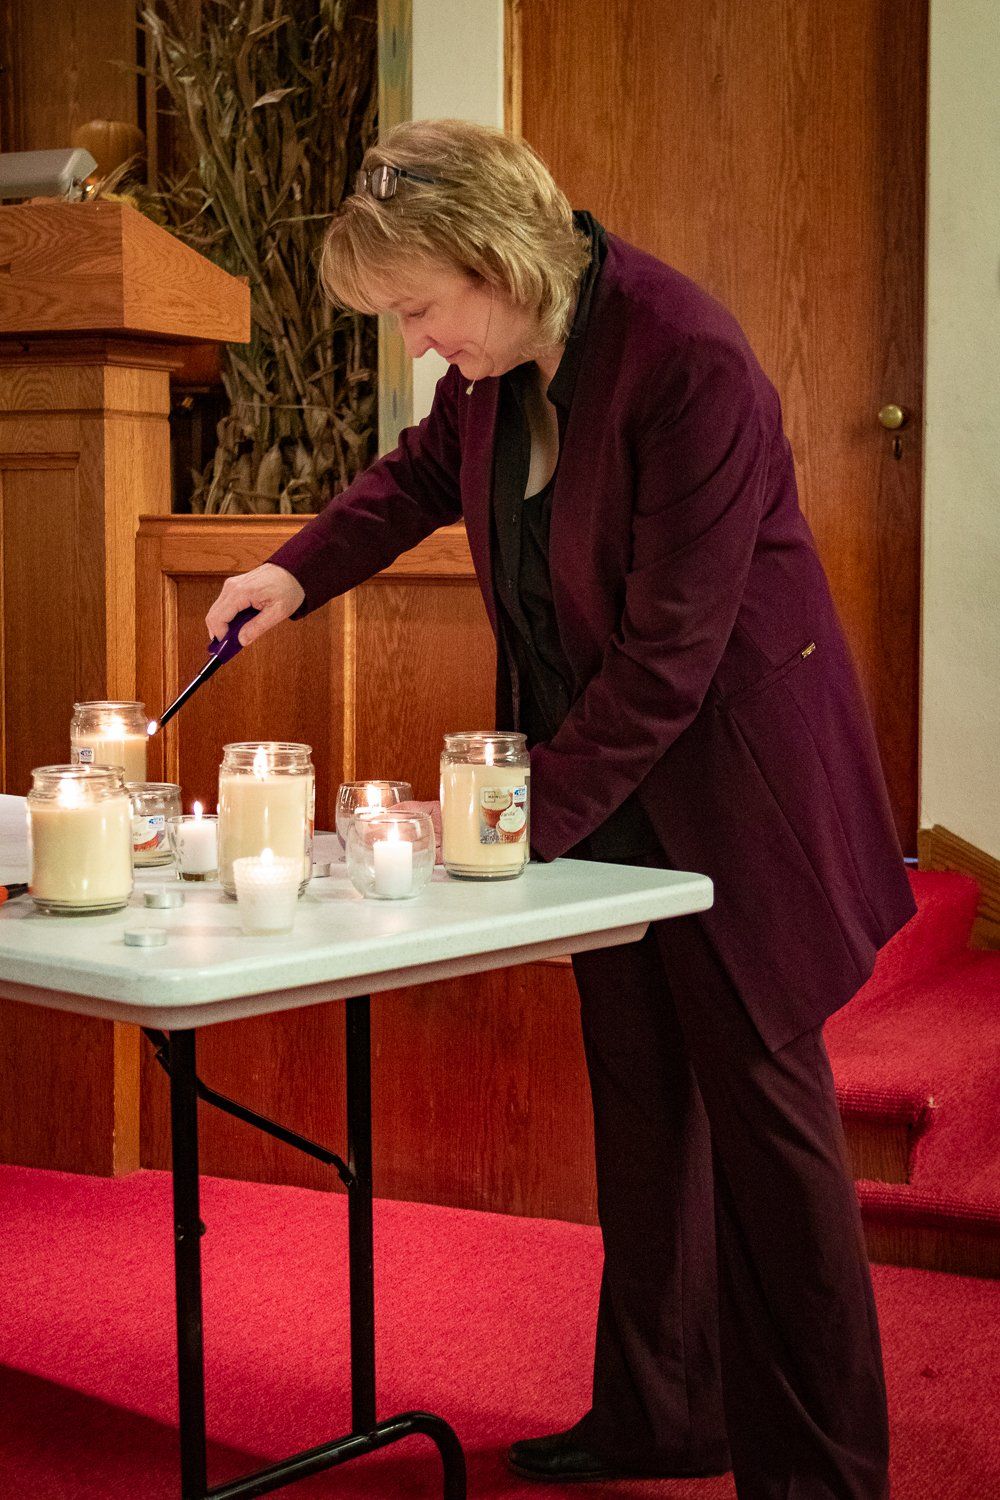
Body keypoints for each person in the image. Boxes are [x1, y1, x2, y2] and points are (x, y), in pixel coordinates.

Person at [206, 118, 916, 1499]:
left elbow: (670, 664)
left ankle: (829, 1473)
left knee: (770, 1132)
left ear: (494, 258)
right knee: (643, 1108)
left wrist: (501, 824)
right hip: (599, 775)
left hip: (732, 792)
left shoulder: (686, 360)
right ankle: (665, 1415)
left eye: (418, 309)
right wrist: (291, 576)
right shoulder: (494, 368)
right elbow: (416, 478)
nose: (416, 341)